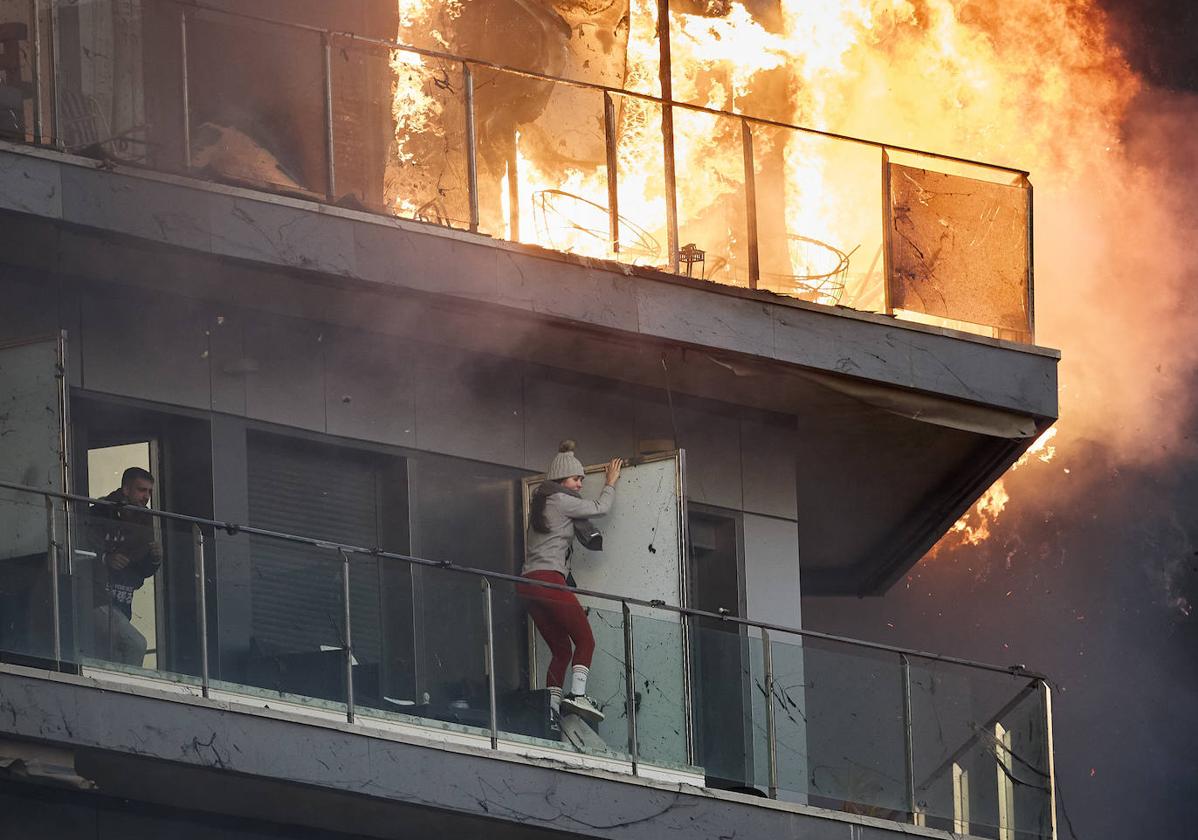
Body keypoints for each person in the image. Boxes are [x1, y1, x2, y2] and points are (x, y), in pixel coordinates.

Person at [519, 440, 622, 732]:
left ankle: (551, 715)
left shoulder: (541, 501)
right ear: (561, 479)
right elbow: (600, 507)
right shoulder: (561, 500)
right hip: (550, 581)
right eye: (577, 479)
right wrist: (610, 482)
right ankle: (577, 695)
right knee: (586, 640)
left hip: (526, 584)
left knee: (562, 649)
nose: (579, 485)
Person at [87, 467, 161, 666]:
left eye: (149, 491)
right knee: (135, 644)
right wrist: (105, 558)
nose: (146, 496)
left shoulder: (146, 519)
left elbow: (143, 570)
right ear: (126, 490)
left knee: (114, 654)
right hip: (94, 598)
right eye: (141, 490)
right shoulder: (100, 512)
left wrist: (154, 558)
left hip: (122, 602)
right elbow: (80, 545)